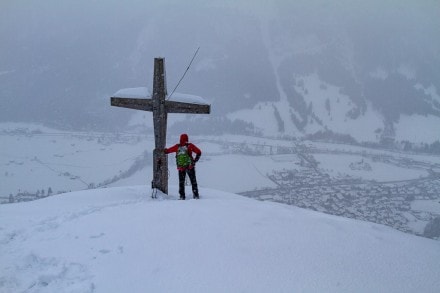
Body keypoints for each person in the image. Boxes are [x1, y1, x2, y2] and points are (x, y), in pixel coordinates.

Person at [164, 133, 201, 200]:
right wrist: (194, 161)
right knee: (193, 181)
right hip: (190, 167)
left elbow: (168, 151)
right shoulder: (190, 146)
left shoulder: (177, 146)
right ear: (187, 139)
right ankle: (196, 195)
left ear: (180, 139)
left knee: (181, 182)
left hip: (181, 168)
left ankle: (182, 196)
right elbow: (199, 152)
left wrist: (165, 150)